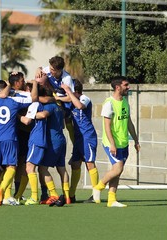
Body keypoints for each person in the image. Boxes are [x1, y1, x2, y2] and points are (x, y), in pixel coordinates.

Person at [93, 76, 140, 207]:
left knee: (117, 171)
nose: (128, 87)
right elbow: (107, 126)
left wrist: (136, 140)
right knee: (118, 168)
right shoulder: (109, 103)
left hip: (123, 143)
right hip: (111, 143)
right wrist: (112, 144)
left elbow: (129, 122)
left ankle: (111, 199)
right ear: (118, 87)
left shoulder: (125, 101)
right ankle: (98, 187)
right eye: (126, 85)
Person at [60, 79, 99, 203]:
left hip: (88, 136)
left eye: (69, 92)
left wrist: (68, 92)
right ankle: (71, 195)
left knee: (90, 163)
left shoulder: (84, 98)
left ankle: (96, 195)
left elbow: (80, 106)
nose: (67, 95)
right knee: (75, 164)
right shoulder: (70, 102)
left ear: (75, 91)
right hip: (78, 138)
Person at [35, 56, 75, 144]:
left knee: (68, 123)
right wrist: (38, 69)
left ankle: (75, 148)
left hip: (63, 100)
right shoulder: (47, 70)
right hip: (51, 97)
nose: (50, 70)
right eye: (50, 68)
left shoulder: (66, 78)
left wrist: (58, 98)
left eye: (52, 69)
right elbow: (39, 72)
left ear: (59, 70)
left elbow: (70, 98)